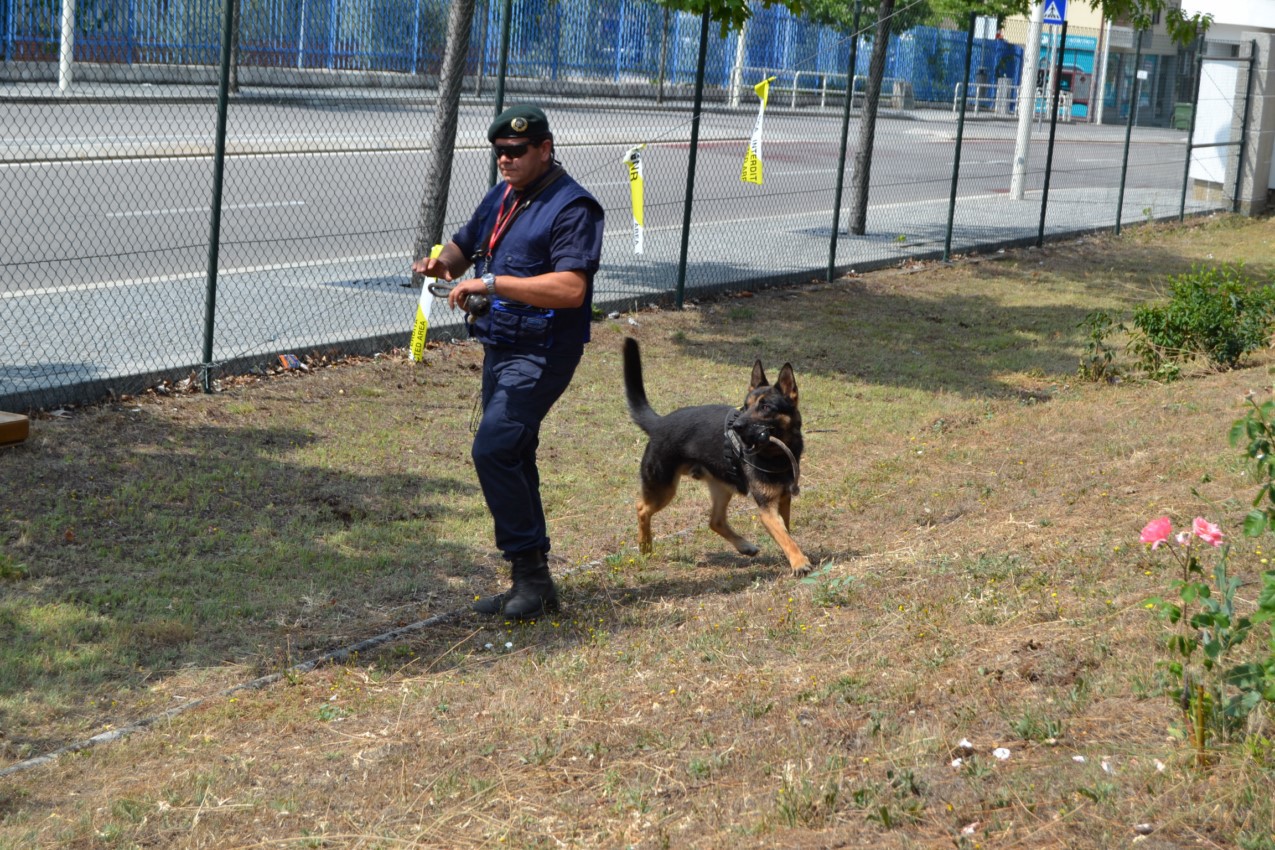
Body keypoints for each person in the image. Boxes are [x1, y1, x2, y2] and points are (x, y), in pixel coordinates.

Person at [412, 104, 605, 620]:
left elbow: (570, 288)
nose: (506, 160)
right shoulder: (504, 196)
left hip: (543, 351)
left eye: (517, 151)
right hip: (502, 344)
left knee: (494, 449)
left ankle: (531, 576)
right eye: (499, 153)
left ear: (545, 149)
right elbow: (464, 244)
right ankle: (533, 582)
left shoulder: (573, 207)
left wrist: (493, 282)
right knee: (513, 453)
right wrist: (443, 263)